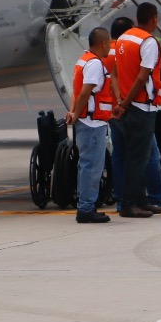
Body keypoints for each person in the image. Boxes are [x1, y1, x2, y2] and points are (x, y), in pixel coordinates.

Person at [114, 2, 161, 218]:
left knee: (132, 156)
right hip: (141, 106)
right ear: (154, 18)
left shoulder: (124, 38)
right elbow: (143, 77)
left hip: (127, 106)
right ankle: (129, 204)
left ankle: (141, 201)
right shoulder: (148, 42)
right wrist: (125, 103)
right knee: (138, 159)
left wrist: (120, 102)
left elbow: (115, 72)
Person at [65, 27, 115, 224]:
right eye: (109, 43)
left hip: (86, 122)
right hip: (92, 123)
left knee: (87, 165)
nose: (110, 47)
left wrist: (73, 113)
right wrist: (76, 114)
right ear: (102, 44)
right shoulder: (95, 64)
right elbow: (85, 93)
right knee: (92, 167)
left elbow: (76, 92)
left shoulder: (83, 60)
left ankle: (86, 206)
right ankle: (86, 208)